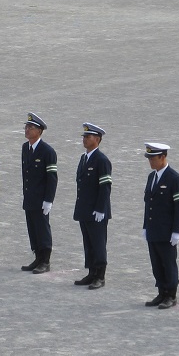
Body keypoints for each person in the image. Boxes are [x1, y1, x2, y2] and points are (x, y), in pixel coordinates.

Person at [141, 143, 179, 309]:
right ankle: (161, 292)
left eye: (153, 158)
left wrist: (177, 232)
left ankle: (171, 295)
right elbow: (149, 204)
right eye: (149, 158)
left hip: (167, 230)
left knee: (168, 263)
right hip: (153, 228)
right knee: (156, 262)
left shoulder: (174, 179)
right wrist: (146, 225)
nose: (150, 161)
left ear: (163, 157)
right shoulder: (151, 177)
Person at [72, 123, 112, 290]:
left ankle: (100, 275)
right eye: (84, 137)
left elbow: (105, 187)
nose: (85, 139)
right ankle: (91, 272)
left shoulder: (102, 161)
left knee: (98, 243)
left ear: (97, 139)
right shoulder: (84, 158)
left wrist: (101, 209)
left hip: (97, 211)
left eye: (88, 137)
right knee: (88, 242)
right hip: (85, 208)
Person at [20, 113, 58, 274]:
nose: (27, 130)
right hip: (30, 196)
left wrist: (49, 200)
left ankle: (45, 260)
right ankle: (37, 256)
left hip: (41, 198)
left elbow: (52, 178)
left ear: (40, 131)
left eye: (31, 128)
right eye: (26, 127)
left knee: (42, 229)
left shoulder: (47, 151)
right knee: (32, 228)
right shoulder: (25, 148)